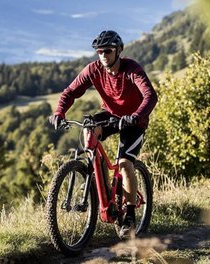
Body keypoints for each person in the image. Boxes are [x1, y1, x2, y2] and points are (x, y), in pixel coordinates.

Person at [48, 30, 157, 238]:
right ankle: (104, 189)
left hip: (134, 121)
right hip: (111, 115)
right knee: (90, 130)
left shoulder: (131, 69)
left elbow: (150, 96)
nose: (103, 56)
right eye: (99, 52)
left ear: (118, 51)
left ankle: (130, 216)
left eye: (107, 51)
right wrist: (59, 112)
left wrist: (136, 115)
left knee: (125, 164)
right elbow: (70, 92)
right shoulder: (94, 69)